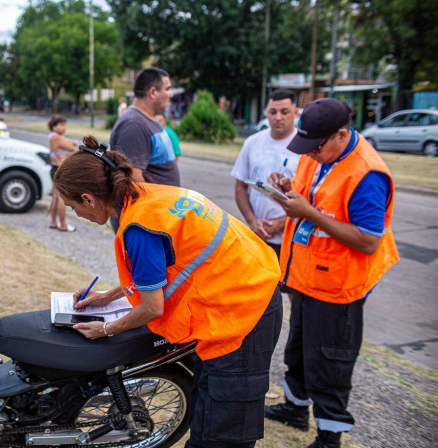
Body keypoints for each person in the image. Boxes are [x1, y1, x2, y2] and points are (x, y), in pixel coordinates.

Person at [54, 135, 283, 448]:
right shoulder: (149, 196)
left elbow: (152, 308)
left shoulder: (139, 226)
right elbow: (163, 269)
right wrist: (108, 296)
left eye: (72, 206)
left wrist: (106, 328)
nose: (76, 213)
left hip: (244, 306)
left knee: (223, 431)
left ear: (89, 199)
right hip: (246, 283)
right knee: (207, 400)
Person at [265, 98, 399, 448]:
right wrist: (287, 191)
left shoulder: (367, 174)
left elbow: (368, 241)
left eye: (316, 147)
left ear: (342, 135)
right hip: (308, 277)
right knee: (299, 350)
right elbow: (313, 196)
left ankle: (329, 436)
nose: (309, 154)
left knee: (331, 361)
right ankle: (295, 409)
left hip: (340, 286)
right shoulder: (320, 155)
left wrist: (307, 211)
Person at [230, 89, 301, 258]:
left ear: (295, 112)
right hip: (257, 236)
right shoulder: (252, 143)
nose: (278, 117)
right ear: (266, 113)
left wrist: (281, 224)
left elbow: (311, 200)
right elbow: (240, 186)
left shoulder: (304, 147)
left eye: (284, 112)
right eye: (272, 112)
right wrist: (252, 221)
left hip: (291, 239)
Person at [110, 67, 180, 188]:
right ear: (153, 92)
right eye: (167, 89)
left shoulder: (149, 118)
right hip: (154, 206)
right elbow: (133, 179)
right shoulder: (134, 124)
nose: (171, 94)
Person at [47, 114, 77, 232]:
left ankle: (54, 222)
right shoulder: (56, 138)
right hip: (60, 170)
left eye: (64, 125)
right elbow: (71, 147)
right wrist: (72, 143)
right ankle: (63, 224)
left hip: (54, 168)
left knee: (55, 197)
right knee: (61, 198)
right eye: (61, 125)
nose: (63, 128)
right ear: (54, 127)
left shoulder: (53, 136)